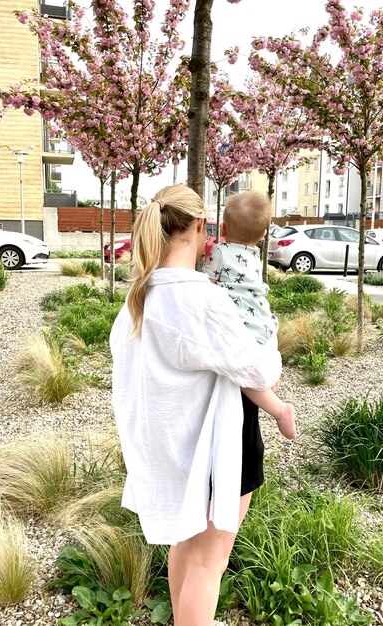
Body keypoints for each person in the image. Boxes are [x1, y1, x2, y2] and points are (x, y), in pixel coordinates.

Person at [110, 184, 282, 626]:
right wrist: (272, 332)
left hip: (175, 451)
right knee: (210, 562)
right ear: (202, 228)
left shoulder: (138, 300)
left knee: (185, 548)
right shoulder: (202, 300)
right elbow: (262, 373)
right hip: (219, 448)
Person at [205, 190, 296, 441]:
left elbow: (208, 285)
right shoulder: (255, 255)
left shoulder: (220, 251)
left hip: (244, 329)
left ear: (222, 227)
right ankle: (268, 379)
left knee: (241, 376)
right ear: (264, 234)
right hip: (265, 323)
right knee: (262, 363)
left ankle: (279, 409)